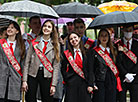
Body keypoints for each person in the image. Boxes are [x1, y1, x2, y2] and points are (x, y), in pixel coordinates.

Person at [22, 20, 60, 102]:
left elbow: (56, 66)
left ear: (52, 30)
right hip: (32, 74)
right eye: (45, 26)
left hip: (47, 75)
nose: (46, 28)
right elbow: (27, 62)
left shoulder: (56, 44)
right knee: (30, 98)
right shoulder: (34, 42)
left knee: (47, 99)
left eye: (49, 27)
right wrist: (24, 80)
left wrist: (54, 85)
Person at [87, 29, 122, 102]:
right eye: (102, 36)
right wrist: (92, 83)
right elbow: (91, 69)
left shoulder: (113, 50)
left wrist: (120, 53)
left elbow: (118, 64)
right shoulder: (93, 52)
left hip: (112, 81)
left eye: (106, 36)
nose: (104, 38)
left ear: (109, 37)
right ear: (99, 38)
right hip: (100, 81)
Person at [61, 32, 92, 102]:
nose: (73, 40)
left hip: (84, 83)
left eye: (75, 37)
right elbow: (63, 68)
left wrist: (91, 84)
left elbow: (90, 69)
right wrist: (67, 79)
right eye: (71, 39)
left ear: (79, 38)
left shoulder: (87, 52)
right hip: (71, 84)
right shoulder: (67, 54)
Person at [0, 21, 25, 102]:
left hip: (15, 79)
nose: (9, 29)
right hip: (1, 78)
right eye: (8, 27)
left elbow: (23, 64)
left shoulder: (21, 45)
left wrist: (24, 80)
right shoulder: (1, 43)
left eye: (12, 28)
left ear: (17, 31)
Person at [115, 25, 138, 102]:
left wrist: (132, 74)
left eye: (130, 30)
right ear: (123, 31)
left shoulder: (137, 43)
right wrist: (125, 74)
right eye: (126, 30)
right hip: (122, 78)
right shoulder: (117, 44)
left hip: (135, 78)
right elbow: (117, 62)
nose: (128, 32)